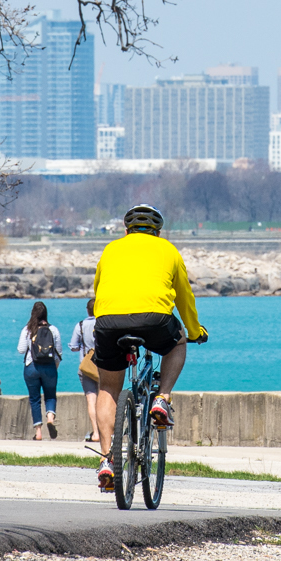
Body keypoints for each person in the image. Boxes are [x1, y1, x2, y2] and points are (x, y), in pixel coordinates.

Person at [90, 204, 207, 493]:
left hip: (108, 323)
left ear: (126, 230)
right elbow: (184, 296)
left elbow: (97, 287)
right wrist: (194, 331)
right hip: (154, 320)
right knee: (177, 340)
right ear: (158, 232)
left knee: (108, 389)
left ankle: (107, 460)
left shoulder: (111, 250)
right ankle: (162, 398)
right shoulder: (168, 250)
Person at [18, 300, 63, 440]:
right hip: (49, 367)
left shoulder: (28, 329)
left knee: (34, 399)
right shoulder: (53, 330)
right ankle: (50, 418)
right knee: (50, 395)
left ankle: (38, 432)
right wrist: (54, 368)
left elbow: (20, 350)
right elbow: (59, 353)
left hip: (31, 367)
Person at [70, 298, 100, 444]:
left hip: (86, 367)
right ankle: (107, 431)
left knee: (91, 400)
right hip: (103, 367)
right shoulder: (103, 323)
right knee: (105, 399)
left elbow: (73, 346)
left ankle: (96, 433)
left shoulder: (80, 325)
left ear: (87, 310)